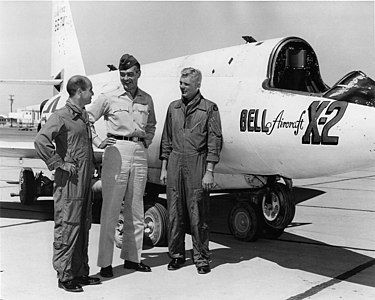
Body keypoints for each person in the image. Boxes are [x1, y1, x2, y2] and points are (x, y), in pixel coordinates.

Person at [87, 54, 156, 277]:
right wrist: (98, 141)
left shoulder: (147, 99)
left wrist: (147, 140)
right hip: (116, 151)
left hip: (139, 151)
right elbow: (86, 118)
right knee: (110, 210)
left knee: (136, 208)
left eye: (130, 74)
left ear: (138, 74)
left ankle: (132, 259)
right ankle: (105, 263)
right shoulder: (109, 97)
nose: (126, 78)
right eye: (122, 74)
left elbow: (152, 124)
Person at [34, 75, 101, 292]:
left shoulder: (82, 117)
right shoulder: (61, 116)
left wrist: (92, 163)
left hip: (84, 180)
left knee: (83, 225)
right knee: (68, 226)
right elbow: (41, 140)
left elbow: (83, 144)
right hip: (69, 183)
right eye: (90, 90)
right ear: (80, 91)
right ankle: (64, 276)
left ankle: (80, 272)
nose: (92, 94)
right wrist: (58, 163)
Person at [160, 67, 223, 274]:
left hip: (197, 161)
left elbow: (214, 141)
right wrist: (164, 168)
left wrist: (209, 171)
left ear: (198, 85)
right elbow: (166, 140)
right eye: (180, 83)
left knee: (198, 213)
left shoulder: (210, 109)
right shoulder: (173, 108)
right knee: (174, 212)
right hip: (175, 161)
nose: (182, 87)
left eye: (186, 84)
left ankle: (202, 258)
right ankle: (177, 255)